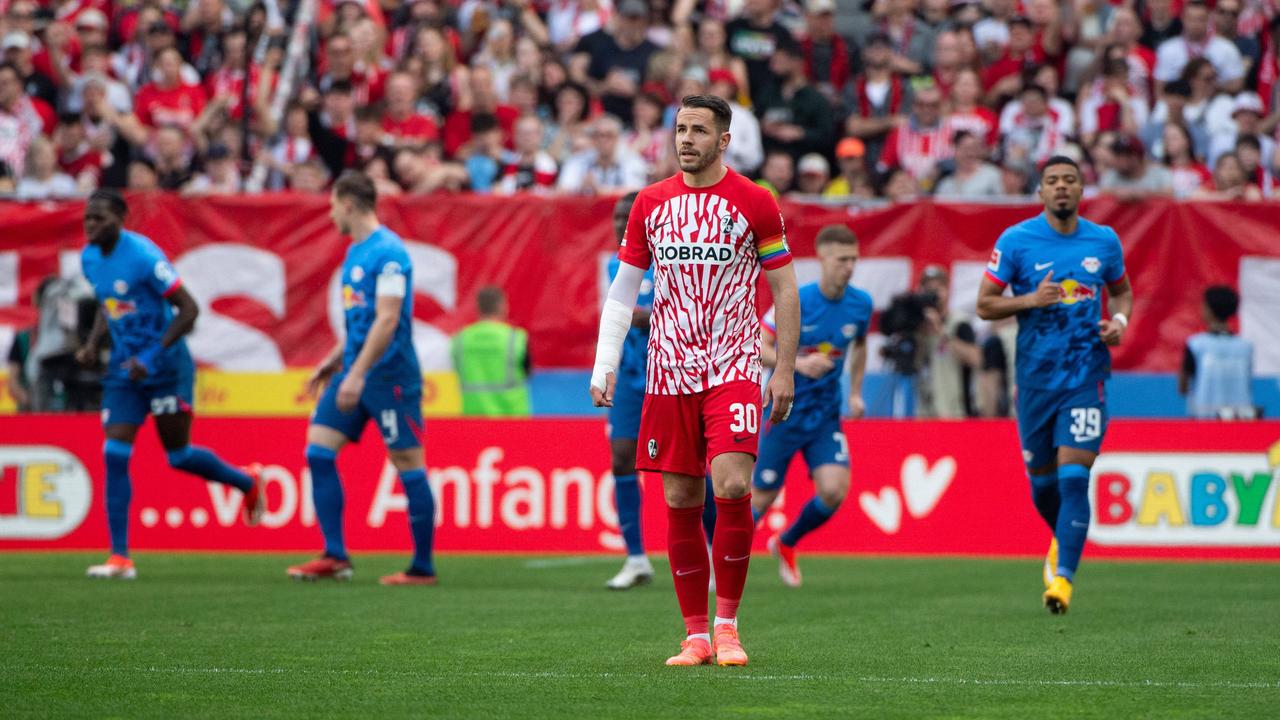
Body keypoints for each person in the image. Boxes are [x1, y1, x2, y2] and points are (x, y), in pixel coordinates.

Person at [589, 94, 799, 667]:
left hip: (733, 366)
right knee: (680, 496)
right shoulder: (650, 204)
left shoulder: (755, 202)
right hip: (668, 372)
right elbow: (624, 290)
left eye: (699, 130)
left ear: (724, 140)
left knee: (731, 486)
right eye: (680, 129)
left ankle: (727, 626)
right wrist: (605, 361)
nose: (686, 139)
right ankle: (695, 636)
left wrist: (782, 368)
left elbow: (784, 290)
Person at [75, 189, 264, 580]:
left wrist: (152, 356)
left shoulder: (144, 256)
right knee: (114, 453)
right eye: (87, 219)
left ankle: (246, 481)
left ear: (121, 217)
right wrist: (94, 344)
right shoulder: (90, 258)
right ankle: (120, 557)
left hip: (165, 368)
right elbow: (107, 304)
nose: (91, 225)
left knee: (178, 457)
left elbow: (189, 309)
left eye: (100, 218)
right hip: (126, 372)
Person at [976, 155, 1134, 614]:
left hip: (1086, 376)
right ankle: (1061, 545)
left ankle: (1062, 580)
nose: (1061, 187)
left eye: (1069, 180)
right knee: (1042, 487)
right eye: (1052, 181)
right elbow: (985, 305)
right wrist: (1030, 299)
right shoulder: (1018, 241)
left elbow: (1121, 291)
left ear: (1082, 190)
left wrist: (1119, 320)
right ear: (1041, 192)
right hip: (1035, 381)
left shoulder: (1103, 242)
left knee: (1073, 478)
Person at [286, 171, 437, 586]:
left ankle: (422, 567)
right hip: (354, 370)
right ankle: (335, 554)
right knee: (318, 450)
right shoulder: (355, 252)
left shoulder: (389, 253)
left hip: (389, 376)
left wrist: (355, 373)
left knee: (408, 464)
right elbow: (362, 323)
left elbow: (388, 320)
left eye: (332, 204)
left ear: (348, 204)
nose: (330, 212)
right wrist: (333, 361)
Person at [752, 225, 870, 588]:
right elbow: (759, 345)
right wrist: (797, 364)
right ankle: (720, 557)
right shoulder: (797, 300)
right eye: (841, 259)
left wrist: (855, 392)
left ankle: (786, 542)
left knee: (834, 490)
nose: (848, 267)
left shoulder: (861, 304)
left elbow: (860, 345)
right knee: (761, 498)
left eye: (853, 260)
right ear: (822, 257)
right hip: (783, 410)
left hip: (825, 414)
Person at [451, 286, 531, 417]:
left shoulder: (460, 340)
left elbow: (457, 369)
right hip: (512, 418)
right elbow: (527, 372)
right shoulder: (515, 338)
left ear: (478, 307)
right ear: (502, 306)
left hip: (473, 417)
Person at [1179, 286, 1255, 419]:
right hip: (1241, 418)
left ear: (1208, 309)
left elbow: (1183, 386)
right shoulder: (1246, 347)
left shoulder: (1196, 344)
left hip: (1204, 418)